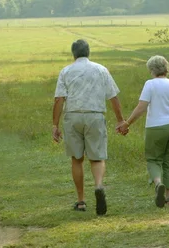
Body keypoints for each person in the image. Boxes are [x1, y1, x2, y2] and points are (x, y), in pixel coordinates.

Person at [52, 38, 127, 215]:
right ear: (88, 52)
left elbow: (59, 99)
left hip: (73, 116)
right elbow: (113, 97)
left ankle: (81, 201)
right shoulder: (101, 70)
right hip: (95, 116)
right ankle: (99, 185)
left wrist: (55, 125)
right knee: (97, 157)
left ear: (73, 54)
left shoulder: (66, 71)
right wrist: (120, 120)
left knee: (77, 159)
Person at [117, 54, 169, 207]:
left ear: (151, 70)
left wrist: (127, 124)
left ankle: (158, 183)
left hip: (156, 127)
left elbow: (141, 108)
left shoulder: (150, 84)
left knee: (154, 159)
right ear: (166, 69)